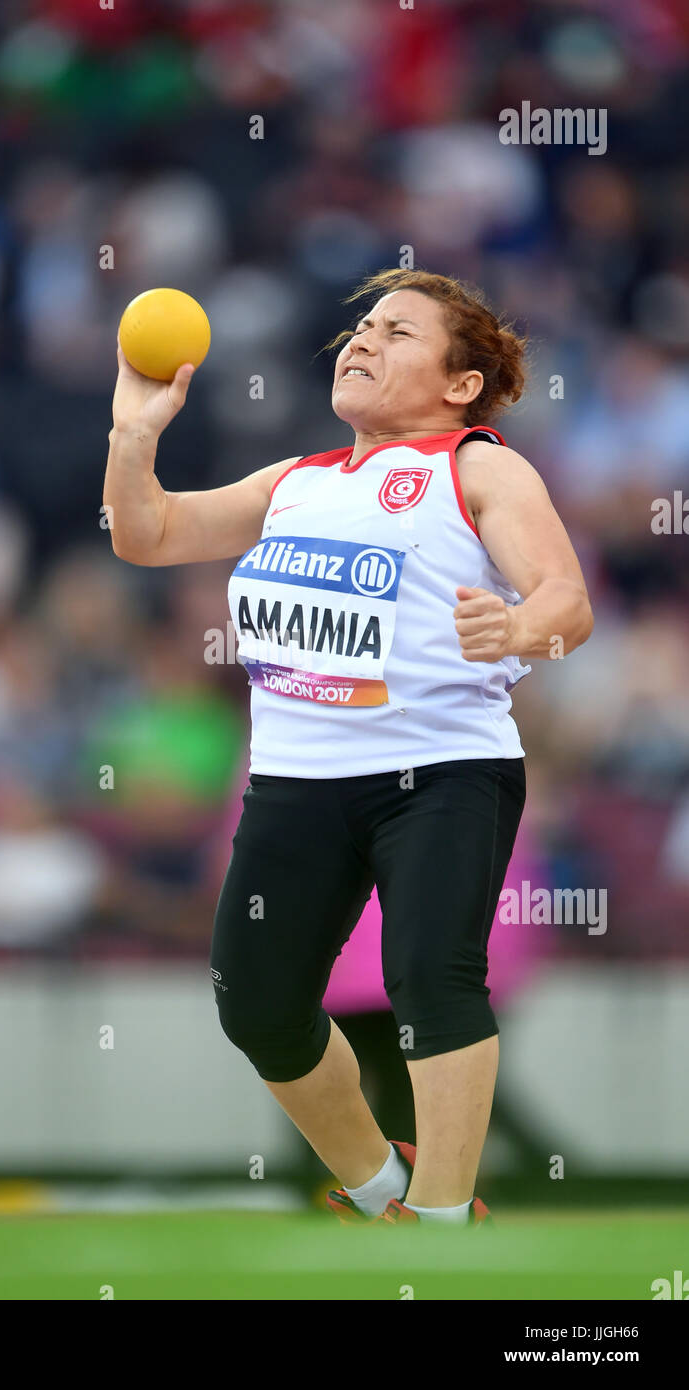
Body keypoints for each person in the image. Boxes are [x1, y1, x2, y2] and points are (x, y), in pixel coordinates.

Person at [104, 268, 593, 1226]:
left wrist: (518, 628)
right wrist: (133, 432)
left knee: (431, 978)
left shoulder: (479, 467)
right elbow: (146, 533)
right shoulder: (296, 481)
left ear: (459, 384)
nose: (361, 341)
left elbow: (564, 605)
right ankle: (379, 1190)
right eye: (360, 326)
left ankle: (445, 1220)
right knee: (257, 1004)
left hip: (443, 770)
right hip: (296, 781)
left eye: (397, 331)